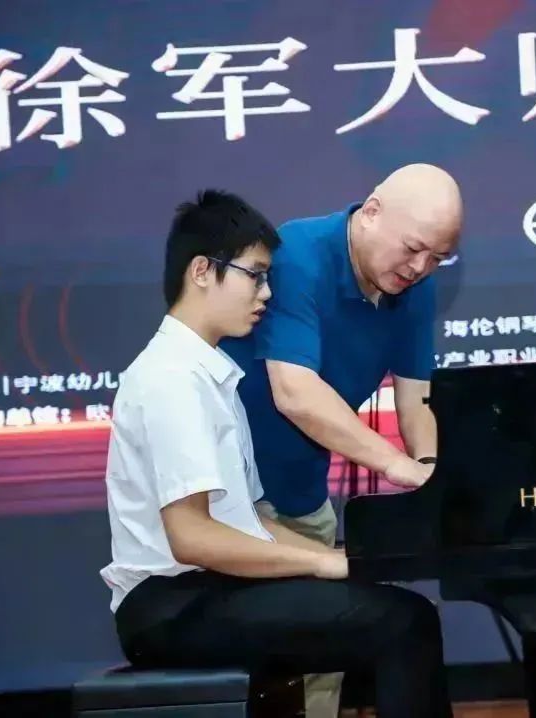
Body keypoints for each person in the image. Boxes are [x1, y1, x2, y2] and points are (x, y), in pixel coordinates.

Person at [100, 189, 452, 718]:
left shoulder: (211, 374)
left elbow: (245, 523)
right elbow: (192, 538)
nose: (267, 293)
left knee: (396, 611)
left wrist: (349, 562)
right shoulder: (171, 378)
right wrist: (323, 561)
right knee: (403, 622)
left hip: (205, 592)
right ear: (202, 271)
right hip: (171, 607)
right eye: (256, 276)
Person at [219, 163, 462, 717]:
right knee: (271, 679)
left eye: (438, 258)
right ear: (371, 212)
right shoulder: (298, 256)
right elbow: (295, 393)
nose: (420, 268)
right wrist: (399, 467)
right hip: (233, 504)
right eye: (413, 249)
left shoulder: (415, 285)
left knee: (322, 679)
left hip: (304, 499)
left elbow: (416, 398)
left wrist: (431, 468)